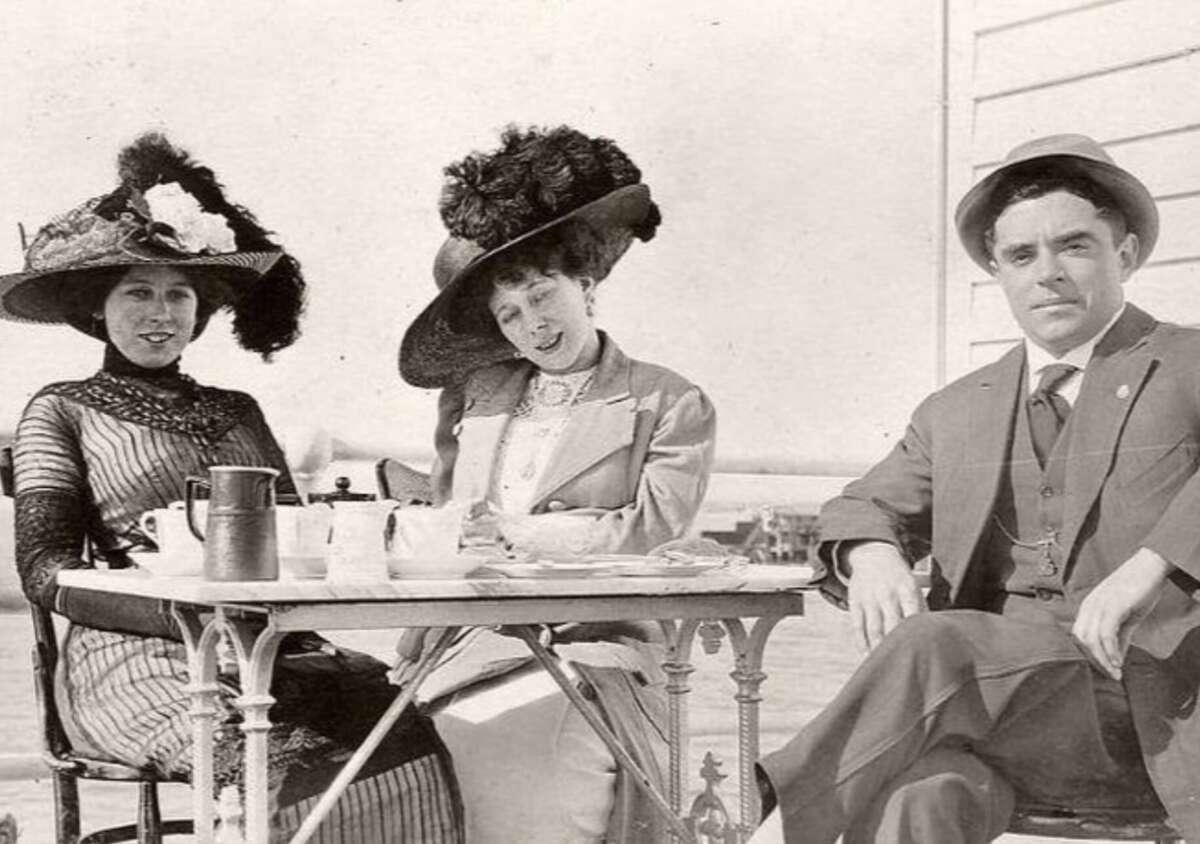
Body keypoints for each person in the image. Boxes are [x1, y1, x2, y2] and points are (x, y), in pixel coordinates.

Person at [4, 133, 462, 843]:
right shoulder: (59, 409)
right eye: (138, 294)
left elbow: (290, 537)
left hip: (269, 649)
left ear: (201, 309)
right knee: (274, 761)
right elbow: (43, 572)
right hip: (136, 660)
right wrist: (191, 616)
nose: (161, 314)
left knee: (398, 734)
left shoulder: (238, 410)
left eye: (178, 294)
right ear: (97, 306)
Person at [752, 133, 1200, 844]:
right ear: (998, 270)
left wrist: (1149, 566)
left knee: (938, 642)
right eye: (1021, 255)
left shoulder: (1186, 364)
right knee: (918, 797)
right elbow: (862, 502)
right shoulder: (957, 409)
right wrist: (871, 553)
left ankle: (764, 824)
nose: (1046, 274)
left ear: (1128, 253)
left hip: (1158, 713)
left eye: (1074, 247)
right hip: (1013, 727)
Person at [396, 124, 717, 842]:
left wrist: (516, 535)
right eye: (509, 314)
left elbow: (650, 532)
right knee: (384, 764)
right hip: (468, 645)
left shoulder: (668, 403)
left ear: (587, 285)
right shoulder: (477, 400)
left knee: (527, 755)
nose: (532, 324)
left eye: (543, 295)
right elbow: (447, 522)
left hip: (597, 648)